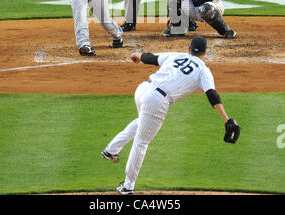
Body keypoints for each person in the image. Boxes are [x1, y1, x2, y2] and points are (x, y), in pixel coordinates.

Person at [101, 36, 240, 195]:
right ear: (205, 52)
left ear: (189, 48)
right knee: (141, 142)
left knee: (142, 122)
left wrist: (138, 56)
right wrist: (226, 118)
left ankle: (111, 149)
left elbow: (152, 58)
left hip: (143, 89)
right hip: (157, 100)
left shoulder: (177, 55)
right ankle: (128, 186)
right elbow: (212, 95)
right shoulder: (203, 71)